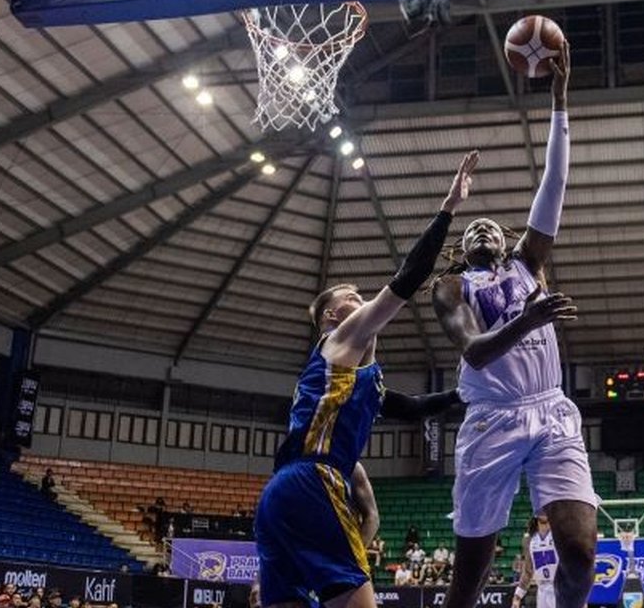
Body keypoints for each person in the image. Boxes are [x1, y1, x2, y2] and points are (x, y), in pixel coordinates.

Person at [255, 152, 479, 608]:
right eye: (352, 298)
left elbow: (413, 407)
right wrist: (449, 207)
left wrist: (467, 394)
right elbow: (410, 277)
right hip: (314, 481)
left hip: (279, 496)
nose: (361, 302)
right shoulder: (338, 341)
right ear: (332, 319)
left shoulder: (359, 381)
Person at [432, 42, 595, 608]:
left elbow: (554, 180)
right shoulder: (451, 287)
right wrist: (526, 321)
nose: (483, 229)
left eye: (492, 226)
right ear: (460, 247)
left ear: (508, 241)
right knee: (468, 579)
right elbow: (474, 351)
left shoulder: (528, 263)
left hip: (551, 410)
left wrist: (559, 97)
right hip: (490, 422)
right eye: (472, 228)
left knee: (581, 554)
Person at [512, 514, 558, 608]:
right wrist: (517, 597)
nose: (543, 511)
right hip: (542, 589)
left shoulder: (560, 534)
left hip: (561, 588)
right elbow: (528, 571)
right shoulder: (529, 539)